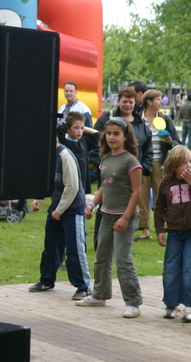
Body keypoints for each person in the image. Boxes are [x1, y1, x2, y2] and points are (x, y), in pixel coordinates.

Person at [77, 117, 144, 318]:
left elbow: (136, 192)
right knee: (101, 257)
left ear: (125, 137)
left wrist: (124, 218)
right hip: (106, 216)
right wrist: (92, 204)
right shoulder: (105, 158)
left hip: (125, 218)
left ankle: (133, 302)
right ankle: (100, 294)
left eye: (116, 134)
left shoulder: (131, 161)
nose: (112, 137)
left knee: (123, 259)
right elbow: (104, 188)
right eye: (109, 133)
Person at [29, 136, 91, 300]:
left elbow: (72, 186)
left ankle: (83, 286)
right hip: (57, 206)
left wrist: (60, 210)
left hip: (73, 209)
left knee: (74, 248)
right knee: (51, 245)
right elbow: (47, 180)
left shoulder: (65, 156)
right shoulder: (48, 155)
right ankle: (47, 280)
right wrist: (39, 198)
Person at [154, 146, 191, 321]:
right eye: (185, 162)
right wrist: (159, 230)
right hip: (174, 232)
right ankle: (171, 304)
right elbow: (159, 208)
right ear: (173, 166)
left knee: (190, 267)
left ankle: (189, 306)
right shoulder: (165, 183)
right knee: (171, 267)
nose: (190, 165)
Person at [94, 87, 153, 243]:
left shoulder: (141, 124)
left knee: (129, 206)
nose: (127, 105)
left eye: (131, 102)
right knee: (106, 205)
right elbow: (95, 141)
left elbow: (148, 150)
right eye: (124, 101)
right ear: (118, 102)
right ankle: (102, 241)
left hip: (132, 174)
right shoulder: (108, 118)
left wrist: (143, 168)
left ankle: (123, 242)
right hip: (110, 172)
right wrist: (99, 163)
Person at [138, 89, 181, 242]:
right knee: (142, 196)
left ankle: (162, 227)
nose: (161, 102)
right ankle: (144, 229)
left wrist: (170, 142)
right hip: (143, 163)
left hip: (160, 163)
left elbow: (177, 142)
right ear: (149, 101)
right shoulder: (138, 120)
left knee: (161, 196)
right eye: (158, 99)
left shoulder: (165, 119)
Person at [60, 111, 99, 195]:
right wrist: (66, 127)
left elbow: (98, 135)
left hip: (82, 186)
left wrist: (82, 127)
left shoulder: (83, 142)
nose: (79, 131)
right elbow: (59, 133)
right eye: (76, 128)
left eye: (82, 128)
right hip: (69, 185)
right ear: (68, 128)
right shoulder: (64, 143)